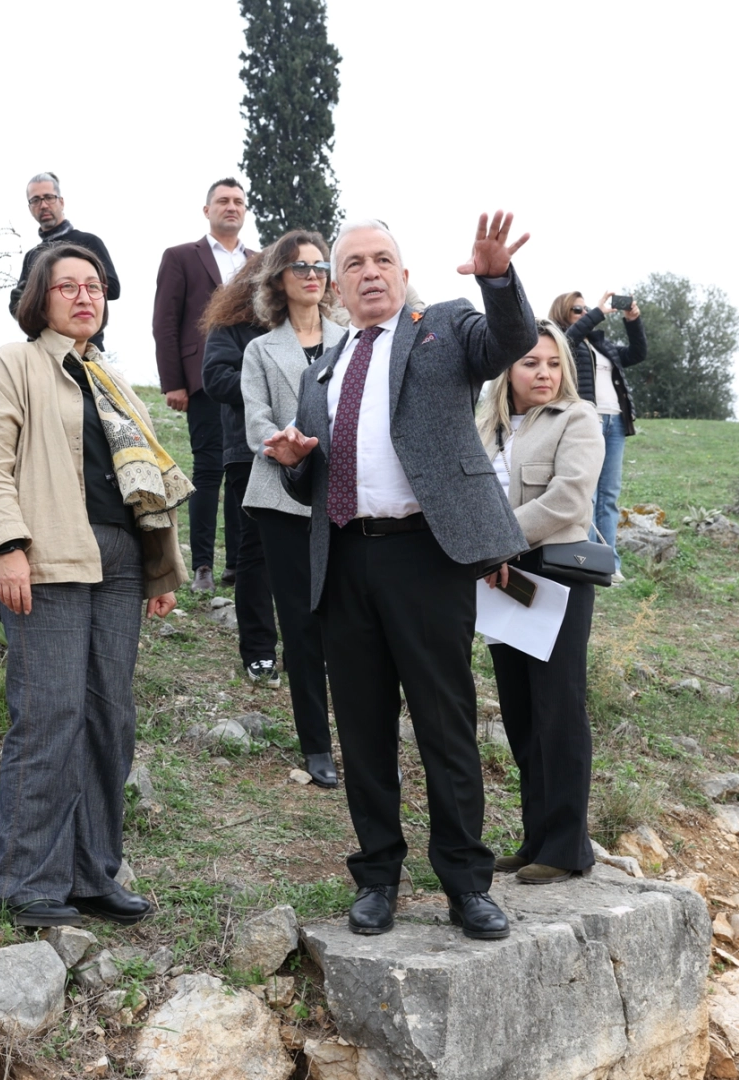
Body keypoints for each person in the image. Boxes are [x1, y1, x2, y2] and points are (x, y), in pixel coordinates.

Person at [263, 213, 538, 941]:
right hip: (345, 560)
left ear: (404, 271)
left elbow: (509, 342)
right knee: (363, 730)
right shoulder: (321, 368)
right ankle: (377, 877)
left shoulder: (443, 329)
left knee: (445, 726)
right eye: (353, 264)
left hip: (426, 556)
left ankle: (465, 884)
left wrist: (496, 280)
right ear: (336, 287)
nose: (370, 272)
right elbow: (311, 486)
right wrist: (293, 466)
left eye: (383, 258)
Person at [0, 244, 186, 928]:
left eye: (93, 287)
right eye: (68, 287)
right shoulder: (13, 366)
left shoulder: (109, 377)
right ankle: (28, 880)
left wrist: (159, 568)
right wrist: (8, 546)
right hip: (48, 556)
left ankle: (94, 873)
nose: (84, 297)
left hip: (119, 560)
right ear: (41, 298)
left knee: (108, 719)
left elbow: (140, 476)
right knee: (50, 716)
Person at [476, 320, 604, 884]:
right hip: (498, 578)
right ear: (508, 368)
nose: (544, 373)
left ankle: (569, 847)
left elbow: (568, 500)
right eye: (531, 362)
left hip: (552, 575)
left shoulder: (578, 419)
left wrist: (497, 540)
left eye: (553, 363)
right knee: (521, 712)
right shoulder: (488, 424)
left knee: (559, 708)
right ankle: (535, 840)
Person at [236, 231, 346, 788]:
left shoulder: (355, 340)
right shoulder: (260, 349)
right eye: (300, 267)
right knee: (300, 624)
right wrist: (282, 442)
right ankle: (315, 744)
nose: (312, 274)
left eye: (320, 265)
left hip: (345, 497)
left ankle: (357, 731)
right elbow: (255, 417)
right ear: (279, 278)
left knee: (348, 621)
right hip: (281, 495)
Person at [153, 178, 255, 592]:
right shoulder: (181, 257)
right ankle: (202, 568)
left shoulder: (261, 261)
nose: (231, 207)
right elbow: (165, 322)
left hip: (251, 381)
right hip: (203, 380)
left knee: (243, 471)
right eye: (223, 201)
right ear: (207, 210)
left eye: (238, 202)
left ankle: (237, 564)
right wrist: (174, 382)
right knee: (209, 469)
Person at [198, 254, 275, 685]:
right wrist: (270, 388)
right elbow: (215, 378)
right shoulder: (232, 325)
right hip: (250, 452)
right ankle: (260, 650)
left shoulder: (309, 325)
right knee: (256, 554)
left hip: (312, 453)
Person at [551, 290, 646, 580]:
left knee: (609, 495)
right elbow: (568, 339)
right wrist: (599, 312)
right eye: (577, 310)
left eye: (585, 309)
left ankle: (610, 564)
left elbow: (638, 353)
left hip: (615, 422)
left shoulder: (601, 345)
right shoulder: (562, 342)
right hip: (586, 423)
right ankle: (588, 560)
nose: (584, 314)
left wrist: (633, 320)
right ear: (564, 314)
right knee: (586, 494)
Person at [7, 172, 120, 352]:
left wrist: (73, 285)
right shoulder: (31, 256)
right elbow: (22, 308)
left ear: (61, 201)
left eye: (49, 198)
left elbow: (113, 289)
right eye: (35, 200)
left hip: (85, 349)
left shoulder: (89, 242)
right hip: (43, 350)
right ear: (29, 207)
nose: (43, 205)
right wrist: (22, 301)